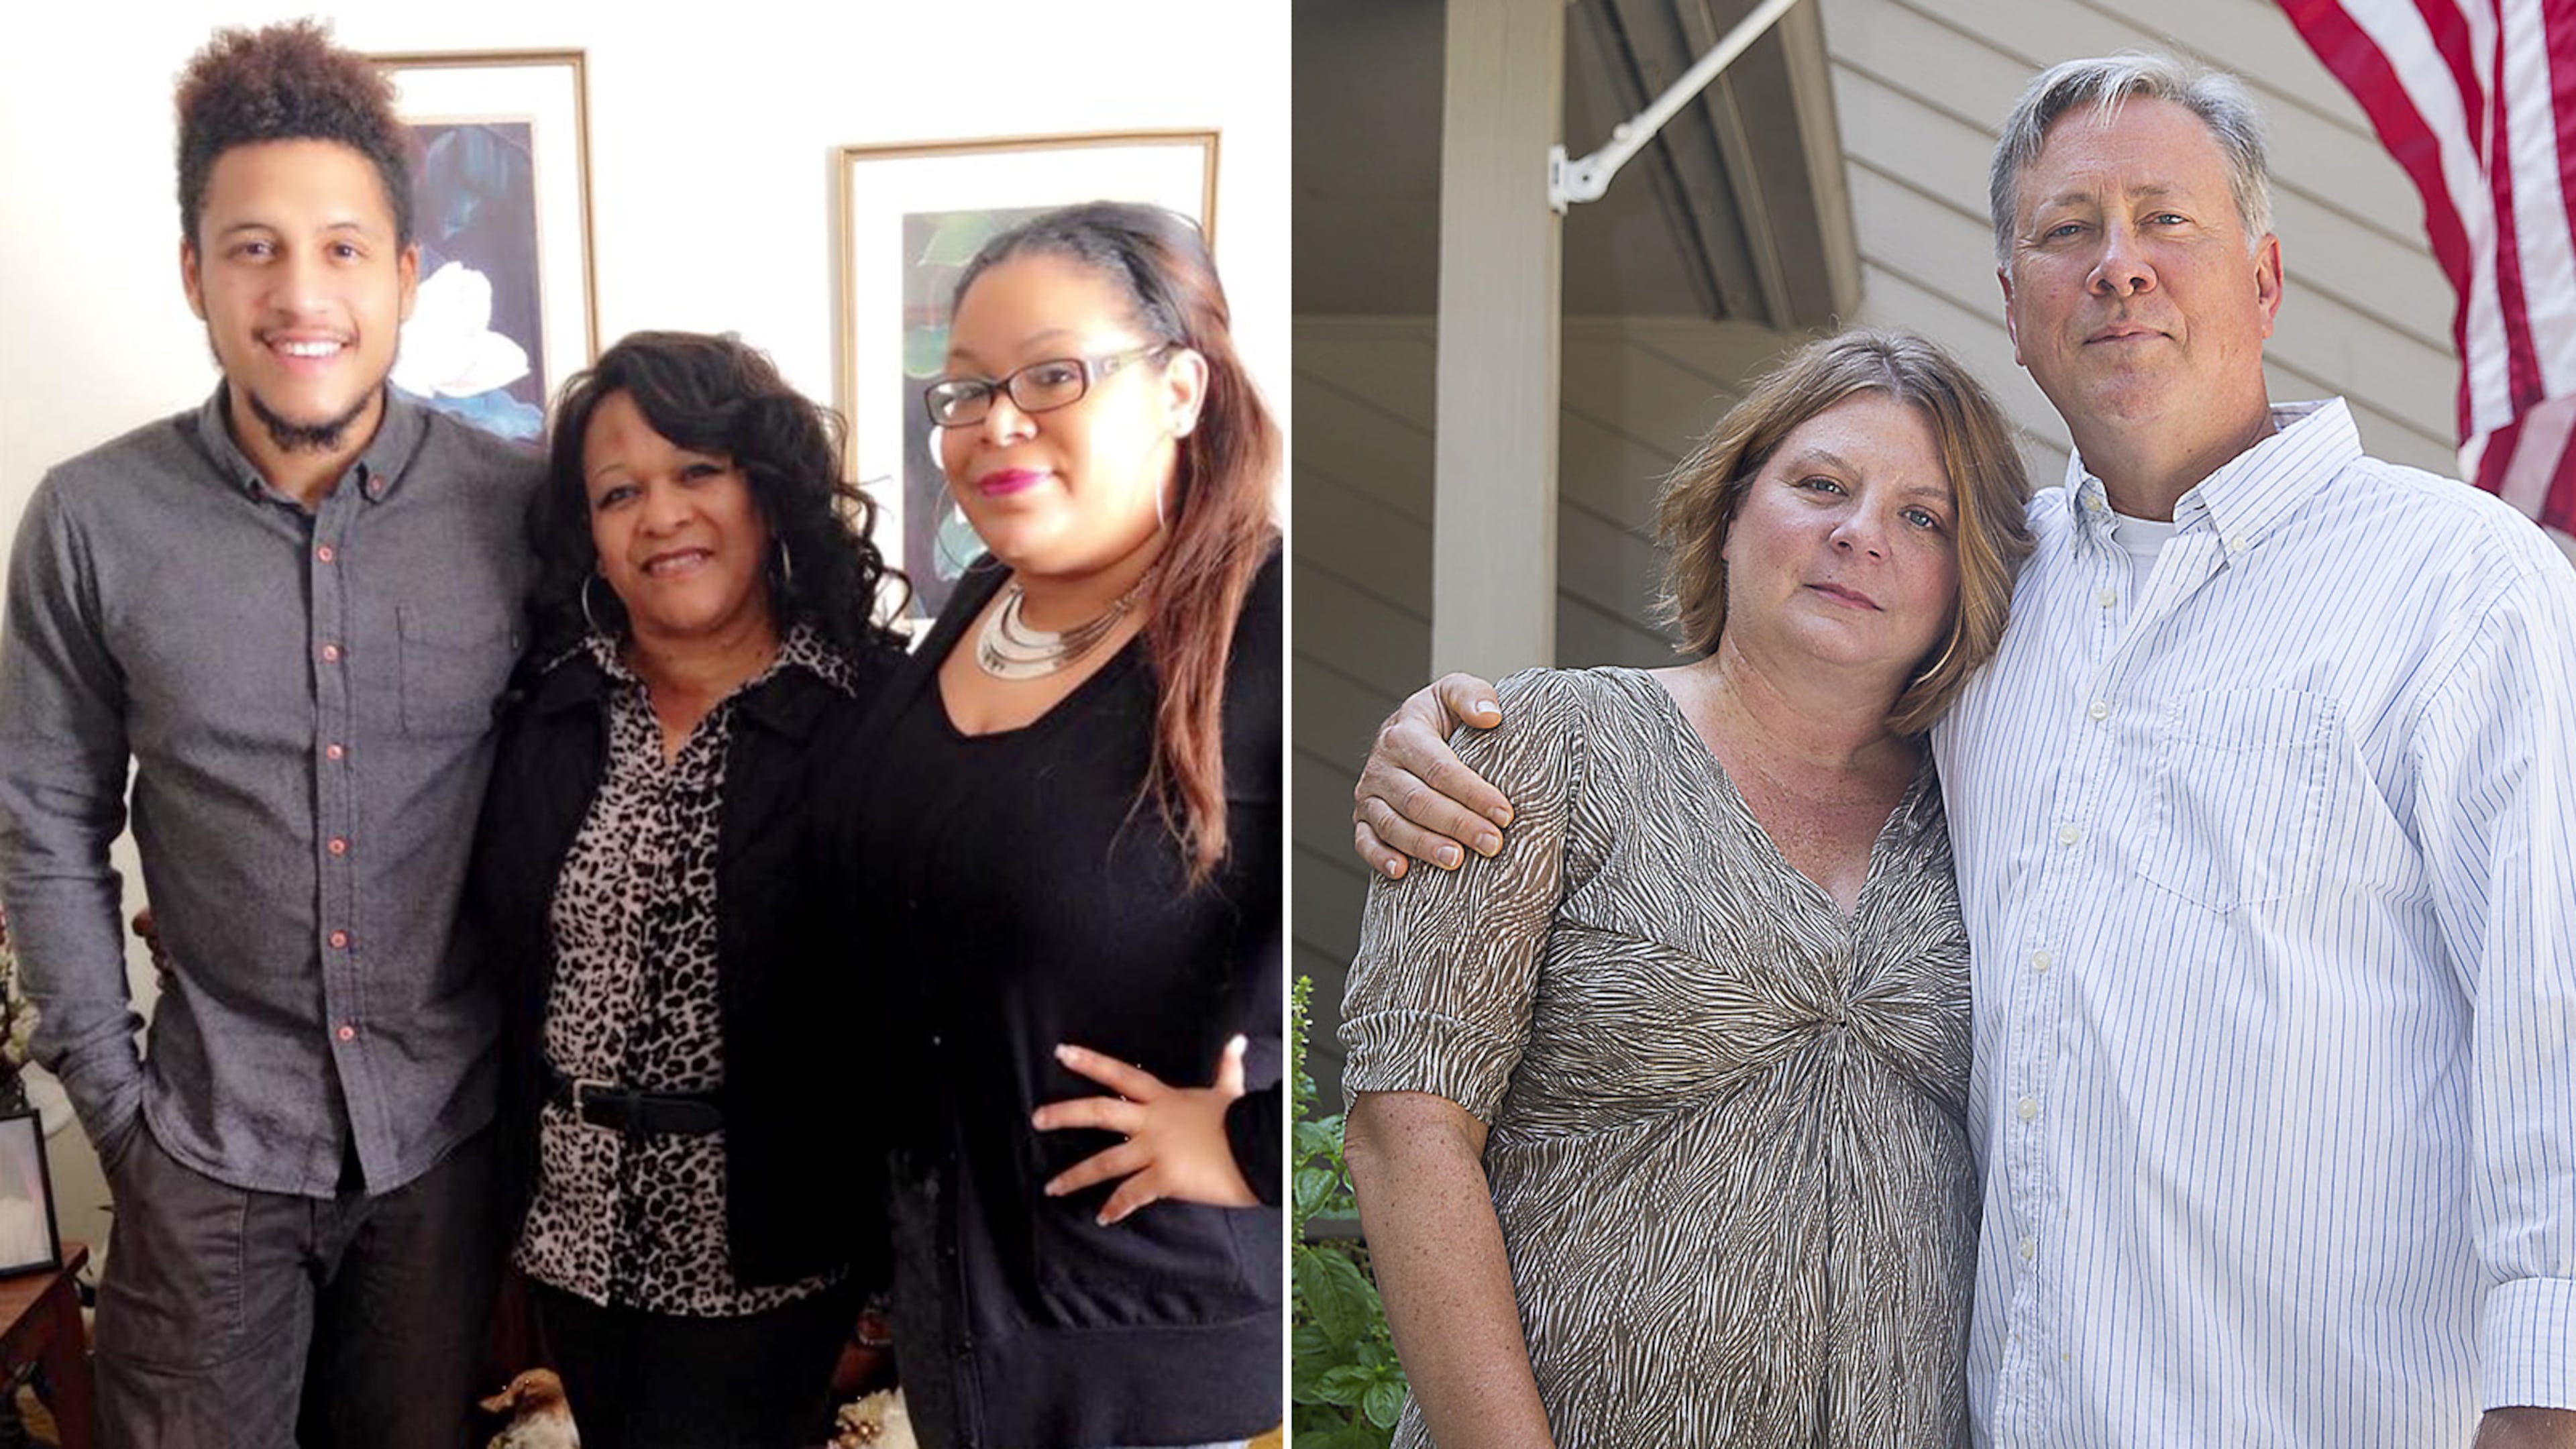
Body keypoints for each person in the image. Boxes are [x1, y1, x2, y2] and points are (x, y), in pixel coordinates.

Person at [1348, 54, 2576, 1448]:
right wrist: (1436, 733)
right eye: (2067, 229)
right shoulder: (1997, 597)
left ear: (2267, 279)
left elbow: (2559, 1021)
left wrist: (2545, 1409)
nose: (2118, 267)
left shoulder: (2461, 585)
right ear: (2015, 303)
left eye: (2167, 220)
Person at [1340, 329, 2032, 1446]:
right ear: (1730, 510)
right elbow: (1402, 1130)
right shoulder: (1541, 744)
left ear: (1967, 582)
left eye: (1924, 517)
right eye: (1822, 486)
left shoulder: (1990, 813)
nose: (1860, 536)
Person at [0, 22, 531, 1446]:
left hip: (446, 1151)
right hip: (206, 1147)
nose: (302, 292)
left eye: (345, 248)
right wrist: (115, 1104)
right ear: (194, 273)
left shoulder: (522, 510)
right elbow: (45, 821)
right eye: (252, 248)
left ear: (405, 276)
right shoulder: (89, 522)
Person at [823, 201, 1282, 1449]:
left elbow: (1436, 987)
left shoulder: (1269, 633)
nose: (995, 424)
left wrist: (1249, 1144)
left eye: (1053, 375)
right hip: (963, 1340)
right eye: (965, 392)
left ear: (1181, 388)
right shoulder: (978, 604)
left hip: (1152, 1363)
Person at [465, 332, 907, 1448]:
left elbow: (919, 1010)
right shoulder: (549, 710)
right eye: (621, 492)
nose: (661, 515)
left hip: (776, 1254)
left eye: (697, 473)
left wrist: (890, 1286)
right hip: (569, 1241)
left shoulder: (877, 713)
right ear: (591, 536)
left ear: (766, 491)